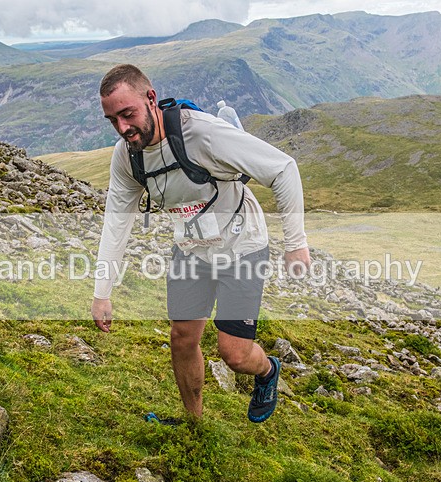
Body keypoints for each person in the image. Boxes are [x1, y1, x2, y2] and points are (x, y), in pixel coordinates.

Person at [91, 64, 310, 423]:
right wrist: (103, 291)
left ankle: (268, 371)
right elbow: (116, 223)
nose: (123, 128)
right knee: (181, 337)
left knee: (235, 354)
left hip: (242, 246)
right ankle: (195, 424)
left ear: (150, 99)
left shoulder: (204, 135)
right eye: (112, 120)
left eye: (127, 114)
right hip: (191, 249)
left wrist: (295, 243)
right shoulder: (127, 156)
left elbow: (283, 168)